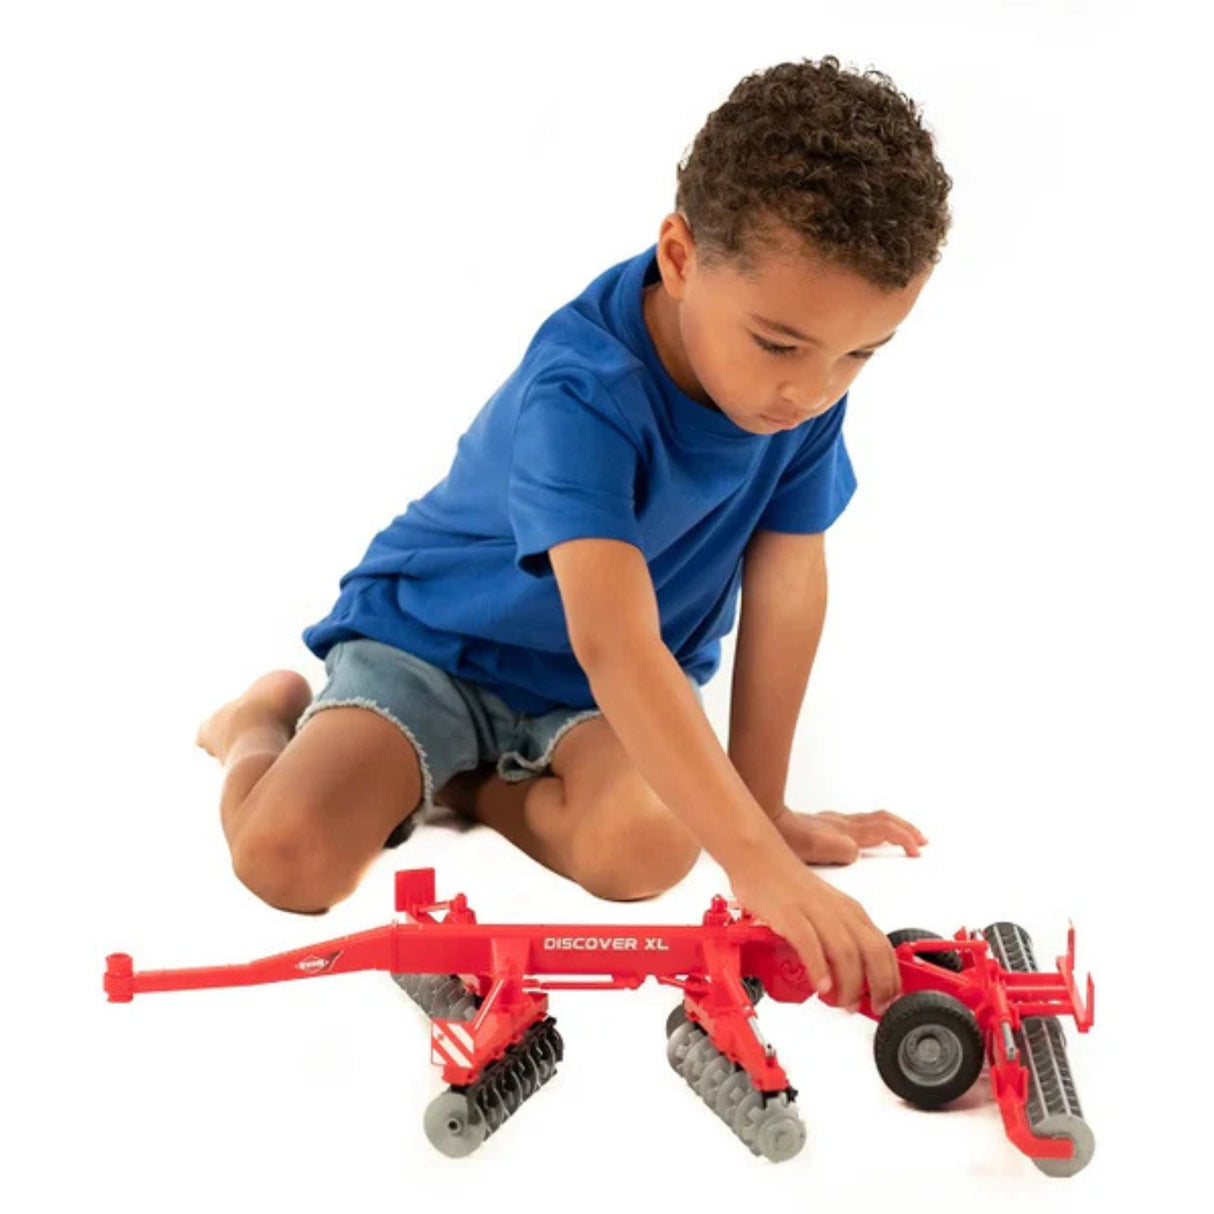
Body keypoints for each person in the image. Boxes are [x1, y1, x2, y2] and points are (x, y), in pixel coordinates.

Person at [196, 55, 952, 1018]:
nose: (812, 389)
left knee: (650, 848)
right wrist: (757, 865)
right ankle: (257, 723)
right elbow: (616, 642)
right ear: (680, 257)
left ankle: (464, 784)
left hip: (590, 705)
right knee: (287, 859)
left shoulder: (800, 392)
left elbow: (789, 580)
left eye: (860, 353)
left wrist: (762, 816)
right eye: (779, 344)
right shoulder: (584, 388)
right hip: (434, 646)